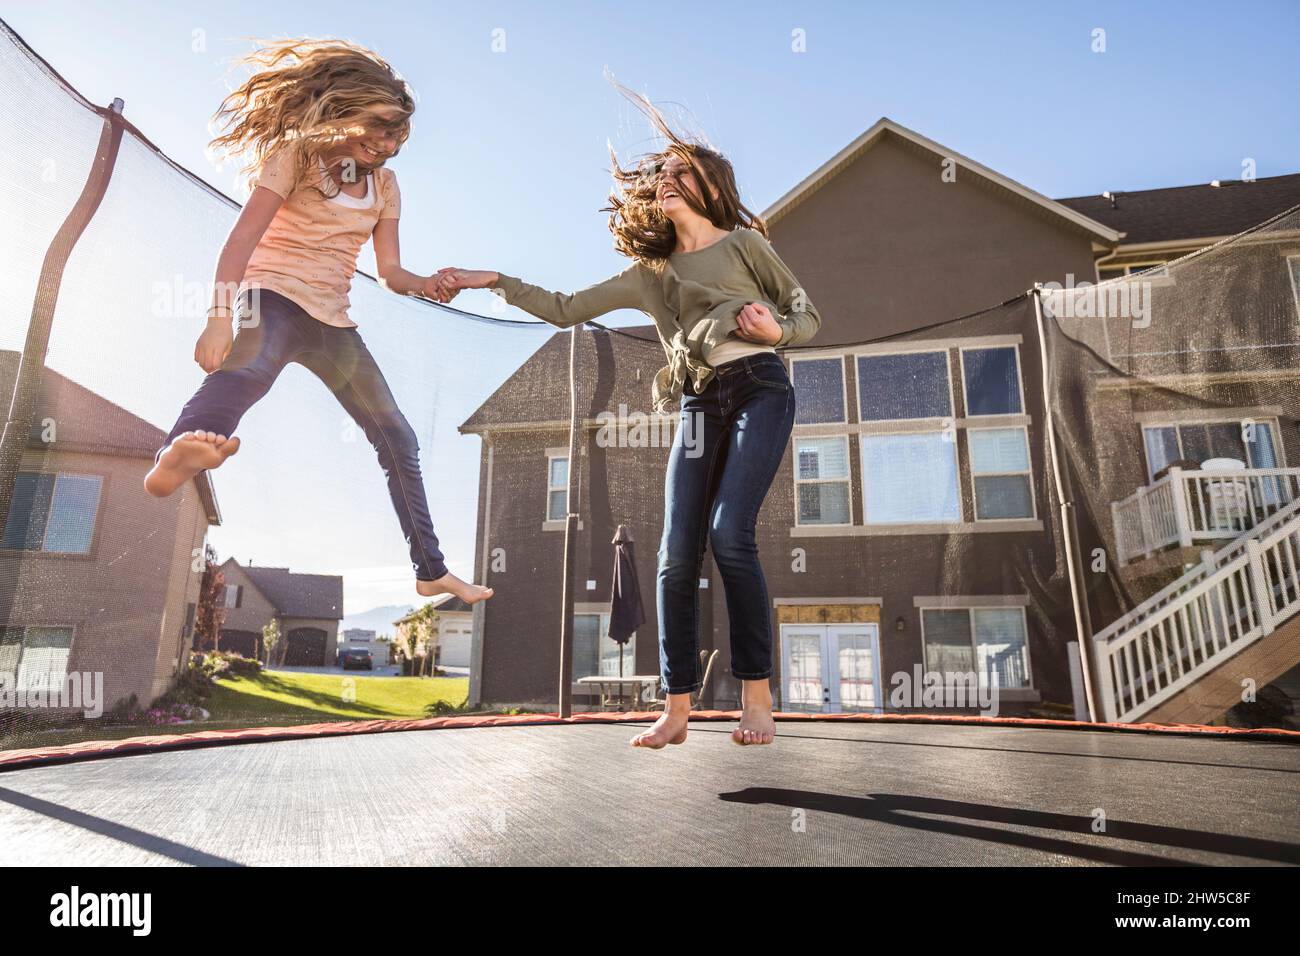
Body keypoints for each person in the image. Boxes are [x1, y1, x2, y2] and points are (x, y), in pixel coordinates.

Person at [436, 97, 820, 746]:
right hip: (701, 404)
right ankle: (677, 709)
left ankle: (758, 700)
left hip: (759, 389)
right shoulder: (652, 274)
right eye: (661, 171)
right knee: (675, 555)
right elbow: (564, 308)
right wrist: (491, 278)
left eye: (681, 171)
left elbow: (806, 316)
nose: (666, 178)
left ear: (711, 187)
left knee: (731, 534)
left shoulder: (746, 246)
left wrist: (777, 327)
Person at [143, 38, 492, 605]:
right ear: (344, 111)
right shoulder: (295, 157)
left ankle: (430, 569)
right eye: (381, 129)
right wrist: (218, 317)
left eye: (399, 135)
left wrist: (430, 285)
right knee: (248, 371)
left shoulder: (385, 187)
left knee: (397, 436)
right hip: (273, 295)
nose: (390, 145)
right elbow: (241, 240)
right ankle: (172, 456)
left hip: (333, 321)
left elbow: (392, 271)